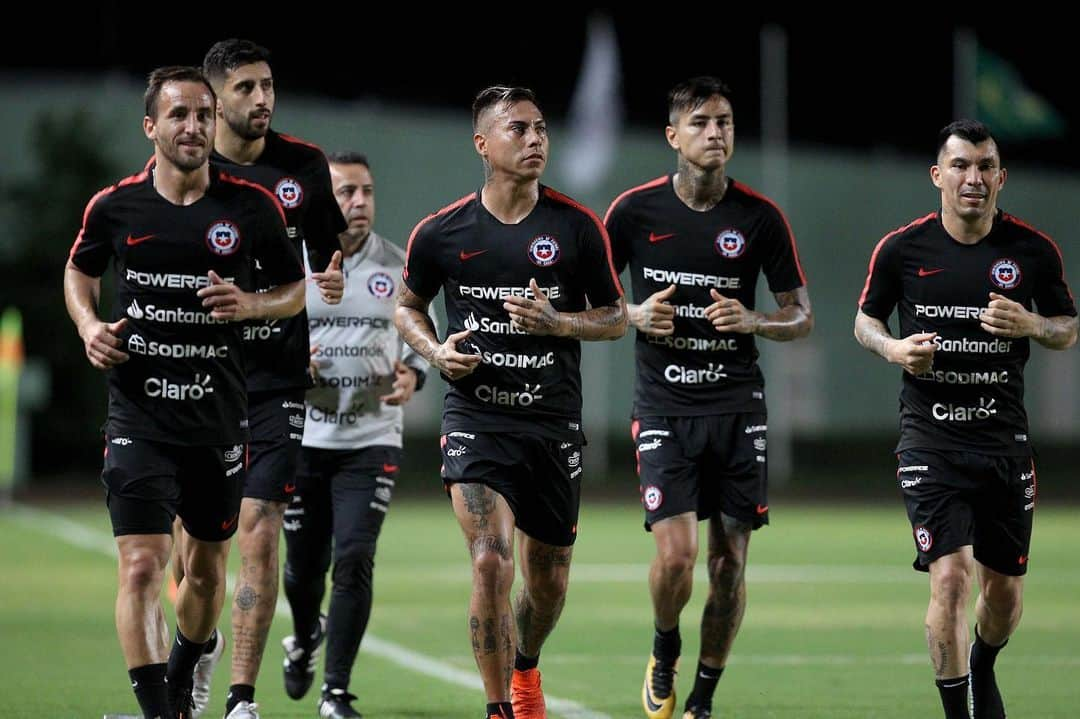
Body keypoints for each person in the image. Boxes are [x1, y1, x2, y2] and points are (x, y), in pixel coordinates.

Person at [63, 65, 305, 719]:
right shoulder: (116, 206)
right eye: (179, 115)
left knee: (202, 573)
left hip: (217, 416)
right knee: (141, 564)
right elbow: (79, 270)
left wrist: (251, 304)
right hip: (138, 412)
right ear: (151, 127)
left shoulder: (250, 207)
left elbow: (296, 290)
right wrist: (89, 325)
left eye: (203, 114)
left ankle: (182, 674)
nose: (194, 126)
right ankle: (161, 712)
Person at [394, 85, 626, 719]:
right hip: (478, 418)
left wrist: (558, 323)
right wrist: (437, 353)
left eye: (541, 129)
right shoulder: (442, 232)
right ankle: (500, 708)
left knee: (546, 584)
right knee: (491, 562)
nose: (535, 140)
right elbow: (407, 307)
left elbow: (614, 318)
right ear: (483, 143)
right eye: (518, 129)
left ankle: (526, 666)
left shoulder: (577, 227)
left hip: (551, 425)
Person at [854, 119, 1077, 719]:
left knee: (1002, 598)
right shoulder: (903, 248)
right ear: (938, 176)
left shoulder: (1032, 251)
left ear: (1001, 177)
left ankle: (983, 662)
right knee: (950, 579)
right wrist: (894, 349)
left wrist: (1032, 325)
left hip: (1004, 443)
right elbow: (865, 322)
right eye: (960, 166)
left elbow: (1067, 326)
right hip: (931, 439)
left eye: (984, 167)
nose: (972, 178)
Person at [604, 76, 812, 719]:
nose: (715, 132)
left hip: (736, 407)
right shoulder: (633, 212)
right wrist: (636, 314)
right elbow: (593, 301)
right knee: (678, 557)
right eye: (700, 122)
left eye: (723, 121)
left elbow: (799, 315)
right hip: (664, 405)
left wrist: (754, 321)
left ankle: (702, 698)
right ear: (673, 136)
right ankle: (664, 647)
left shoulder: (759, 217)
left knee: (728, 565)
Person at [173, 39, 346, 719]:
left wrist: (328, 276)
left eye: (268, 85)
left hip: (276, 378)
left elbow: (326, 258)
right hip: (195, 381)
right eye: (246, 87)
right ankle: (198, 641)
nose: (262, 99)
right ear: (215, 101)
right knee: (195, 556)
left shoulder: (303, 166)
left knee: (262, 526)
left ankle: (242, 698)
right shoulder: (186, 167)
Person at [281, 152, 430, 719]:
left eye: (366, 190)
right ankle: (302, 634)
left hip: (371, 439)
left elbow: (422, 337)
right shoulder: (293, 267)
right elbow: (262, 341)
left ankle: (335, 692)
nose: (359, 201)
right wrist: (297, 361)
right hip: (303, 438)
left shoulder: (398, 267)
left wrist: (413, 373)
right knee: (301, 568)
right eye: (346, 192)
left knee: (356, 559)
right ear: (324, 200)